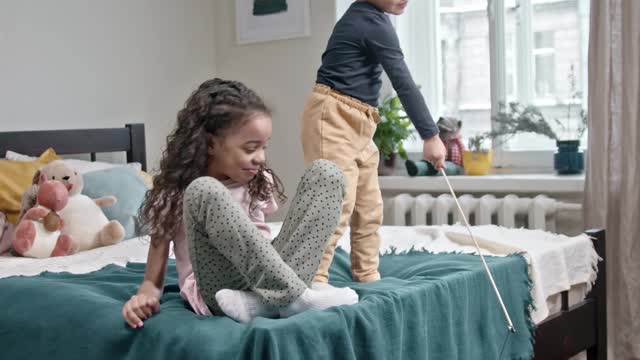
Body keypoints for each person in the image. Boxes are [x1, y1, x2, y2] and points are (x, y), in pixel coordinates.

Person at [122, 78, 358, 327]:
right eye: (250, 148)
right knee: (203, 189)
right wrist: (142, 299)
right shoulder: (174, 194)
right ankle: (297, 297)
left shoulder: (256, 180)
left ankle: (266, 302)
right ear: (211, 143)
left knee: (327, 173)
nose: (261, 158)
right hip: (220, 291)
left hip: (270, 276)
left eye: (263, 147)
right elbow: (151, 281)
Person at [301, 0, 447, 284]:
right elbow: (402, 81)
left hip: (362, 122)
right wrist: (430, 135)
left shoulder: (374, 20)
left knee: (369, 208)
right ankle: (313, 282)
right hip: (332, 117)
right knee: (335, 203)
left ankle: (367, 276)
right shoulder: (370, 22)